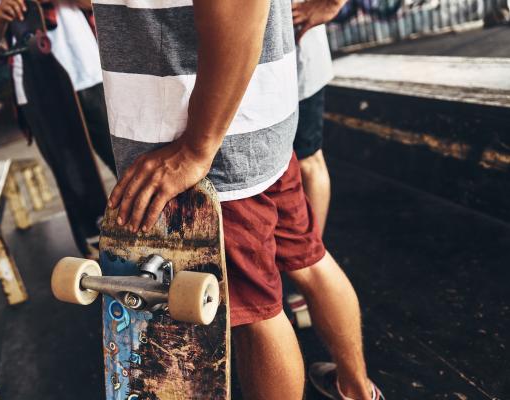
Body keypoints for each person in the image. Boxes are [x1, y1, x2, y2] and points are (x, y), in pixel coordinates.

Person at [93, 0, 383, 398]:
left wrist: (197, 146)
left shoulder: (200, 147)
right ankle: (357, 389)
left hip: (209, 144)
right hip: (259, 122)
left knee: (254, 314)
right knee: (309, 259)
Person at [0, 0, 116, 257]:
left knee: (125, 157)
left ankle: (163, 229)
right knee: (74, 177)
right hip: (37, 83)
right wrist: (1, 16)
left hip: (90, 70)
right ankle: (100, 252)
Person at [289, 1, 385, 398]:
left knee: (309, 160)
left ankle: (305, 266)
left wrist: (328, 4)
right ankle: (304, 266)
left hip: (293, 57)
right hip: (248, 72)